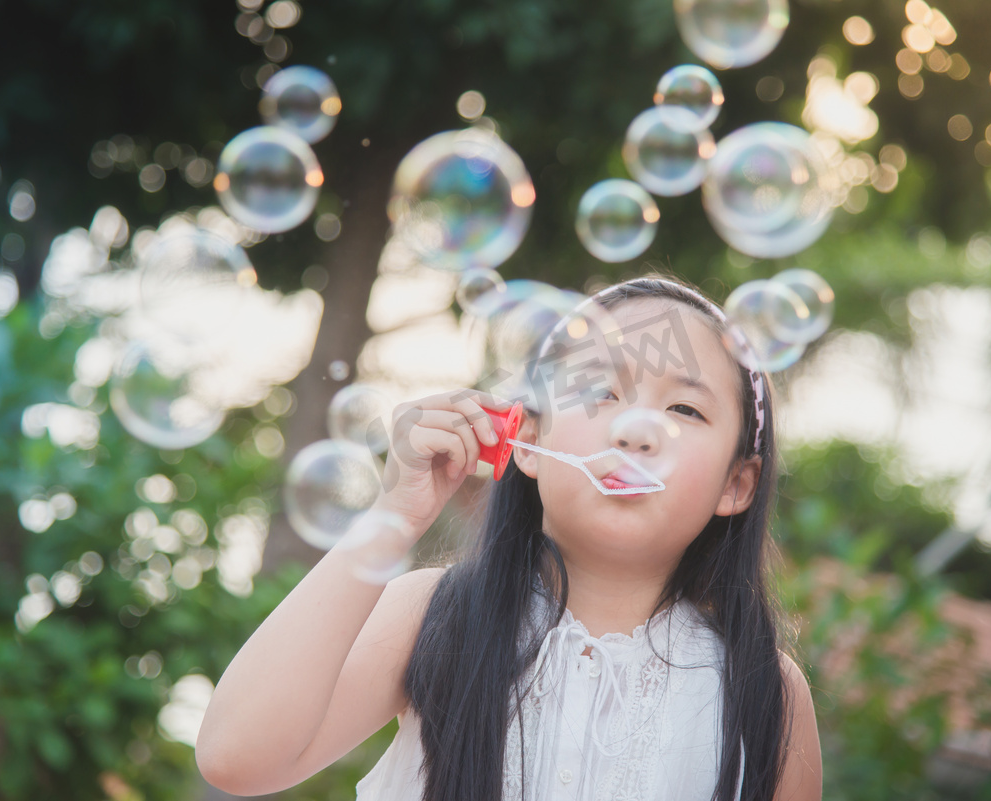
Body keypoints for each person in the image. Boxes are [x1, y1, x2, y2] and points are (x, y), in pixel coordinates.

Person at [196, 276, 822, 801]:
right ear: (530, 440)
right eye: (601, 391)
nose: (636, 431)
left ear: (736, 484)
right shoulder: (435, 614)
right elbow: (237, 757)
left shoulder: (764, 688)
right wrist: (397, 515)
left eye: (685, 410)